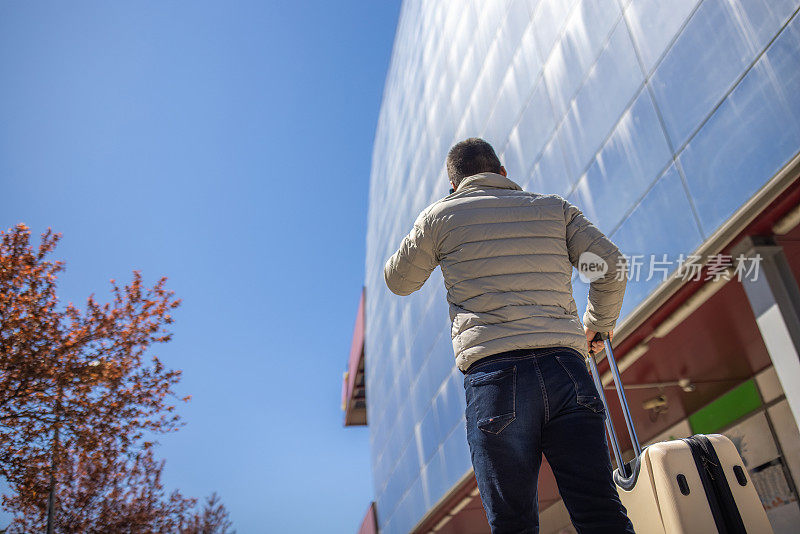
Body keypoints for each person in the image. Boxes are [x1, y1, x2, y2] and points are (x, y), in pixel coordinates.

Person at [383, 138, 635, 534]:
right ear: (503, 173)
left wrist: (433, 226)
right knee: (600, 512)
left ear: (454, 187)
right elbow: (610, 267)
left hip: (496, 382)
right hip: (567, 371)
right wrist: (597, 325)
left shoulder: (440, 217)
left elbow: (399, 281)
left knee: (514, 525)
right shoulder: (555, 209)